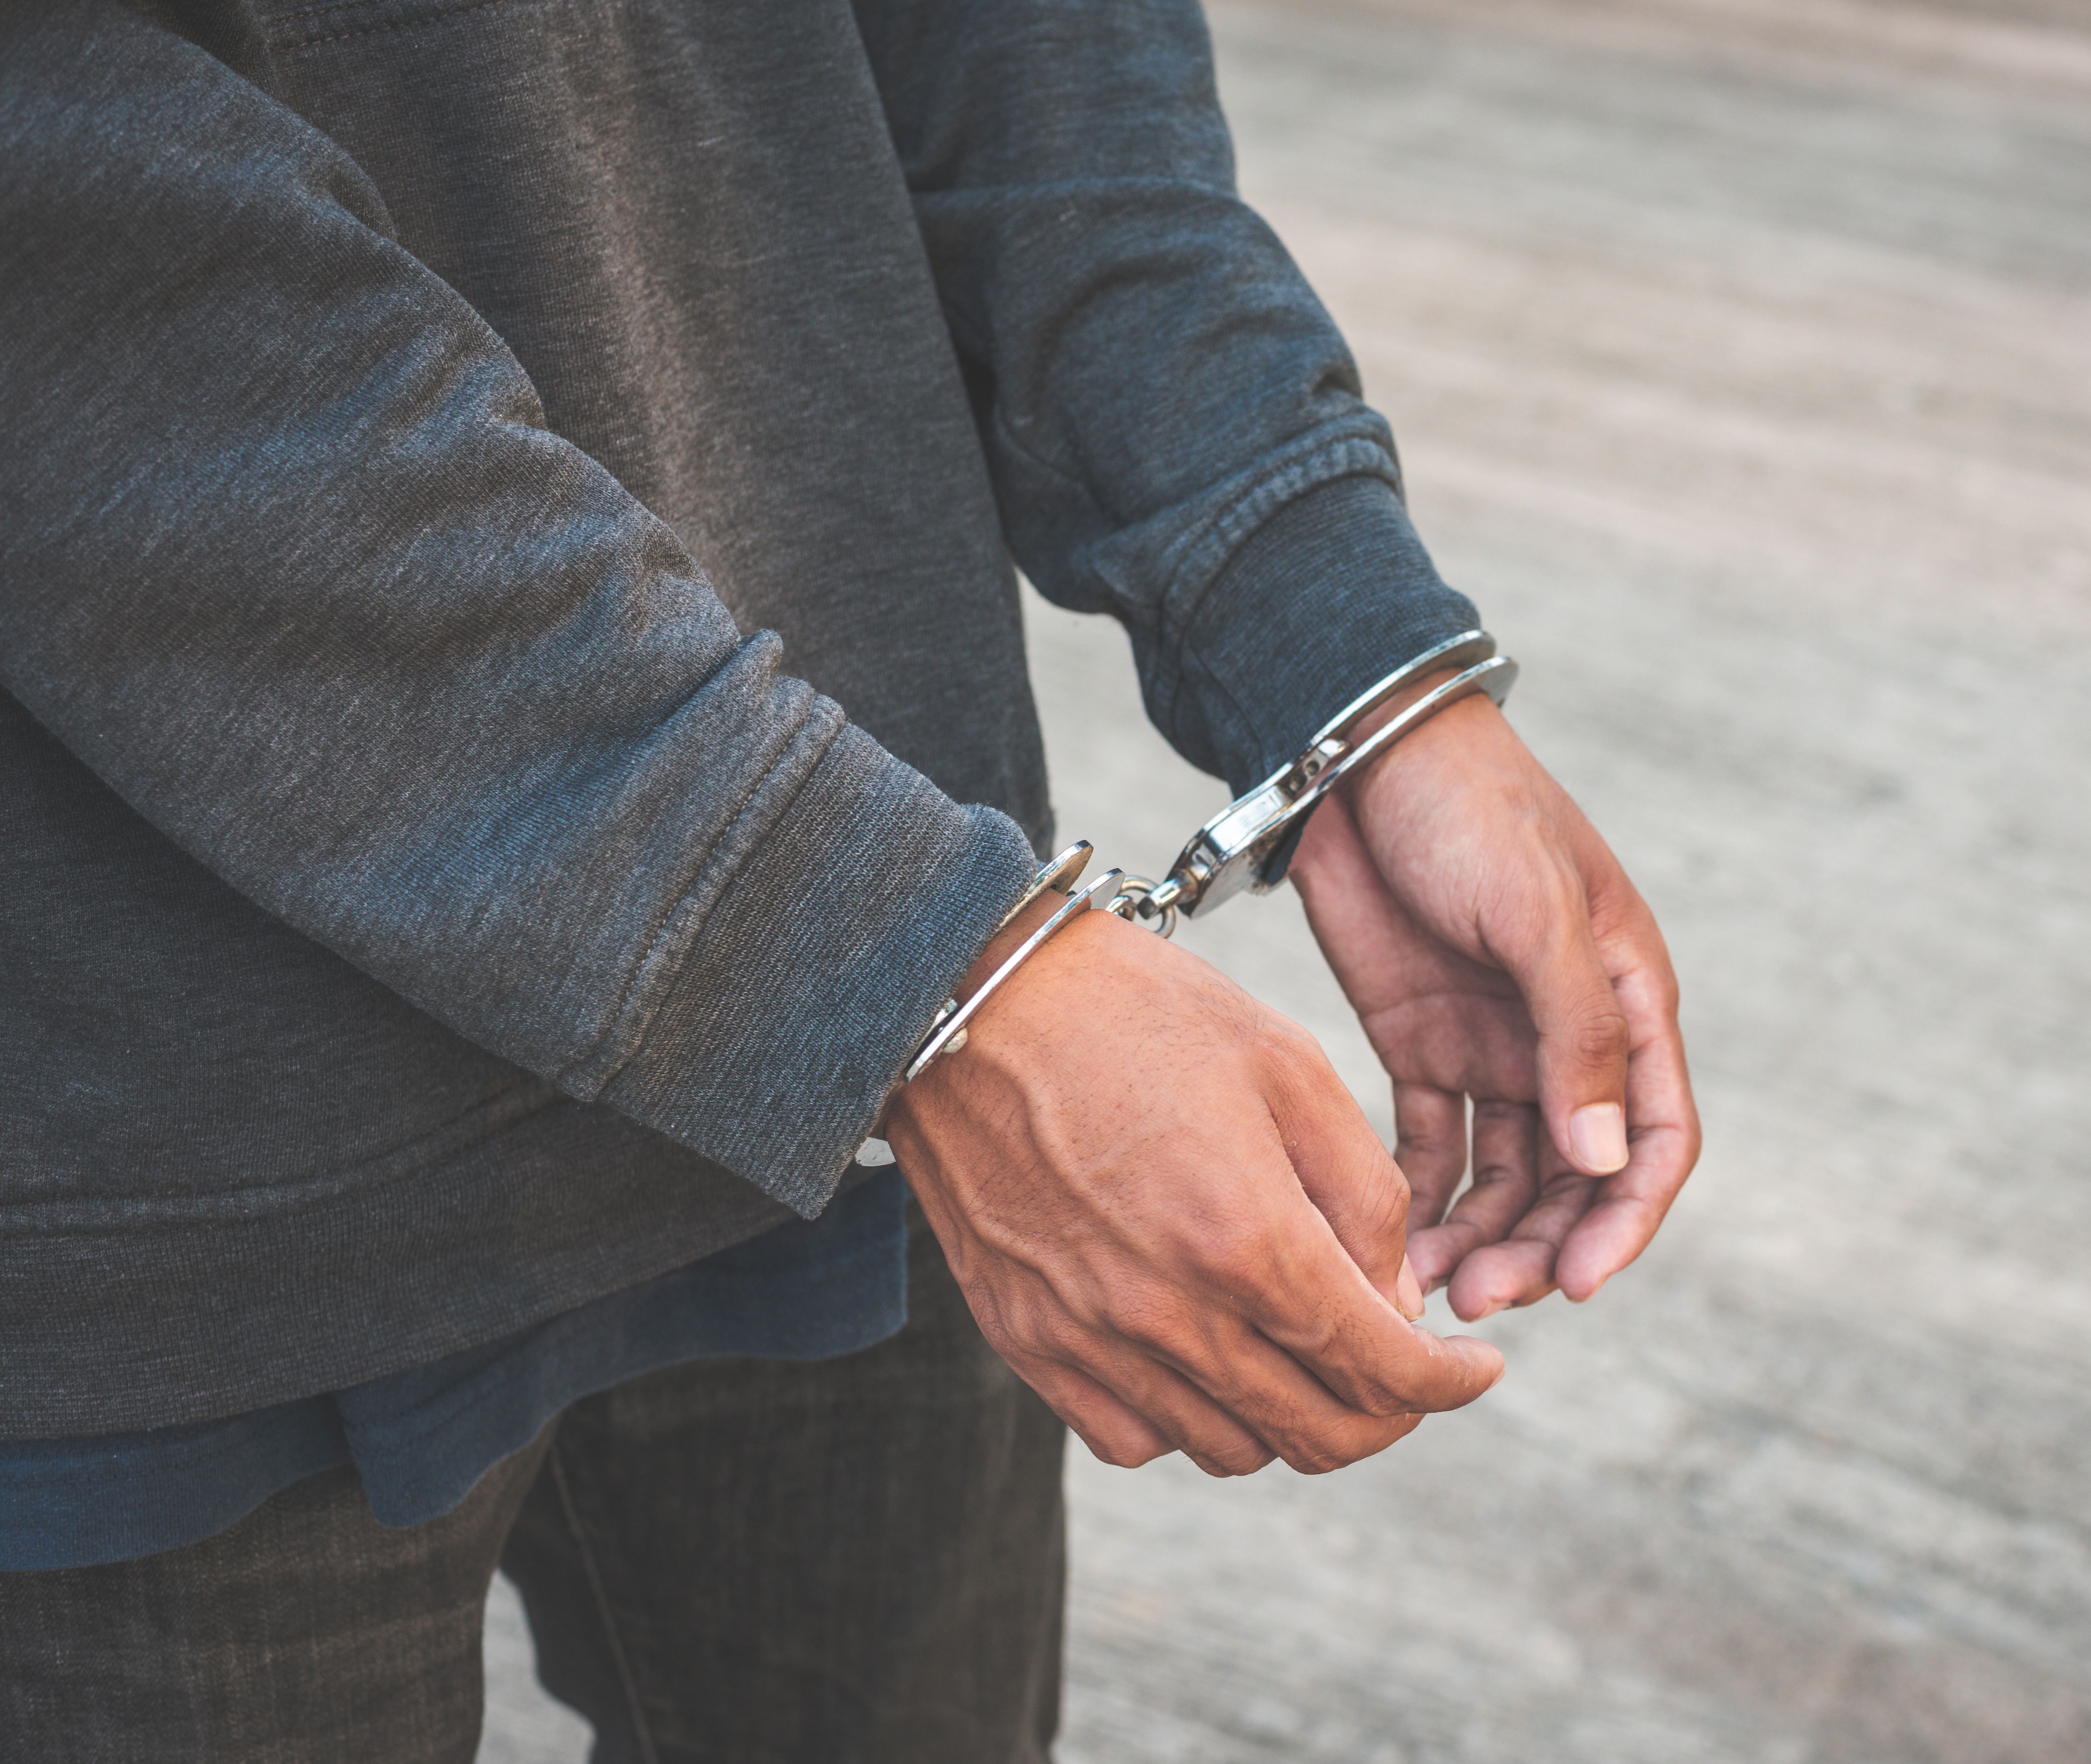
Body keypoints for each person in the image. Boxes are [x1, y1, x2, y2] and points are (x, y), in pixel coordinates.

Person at [0, 0, 1699, 1757]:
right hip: (164, 1150)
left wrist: (1343, 651)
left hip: (889, 1059)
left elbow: (1040, 63)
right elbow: (76, 273)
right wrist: (887, 956)